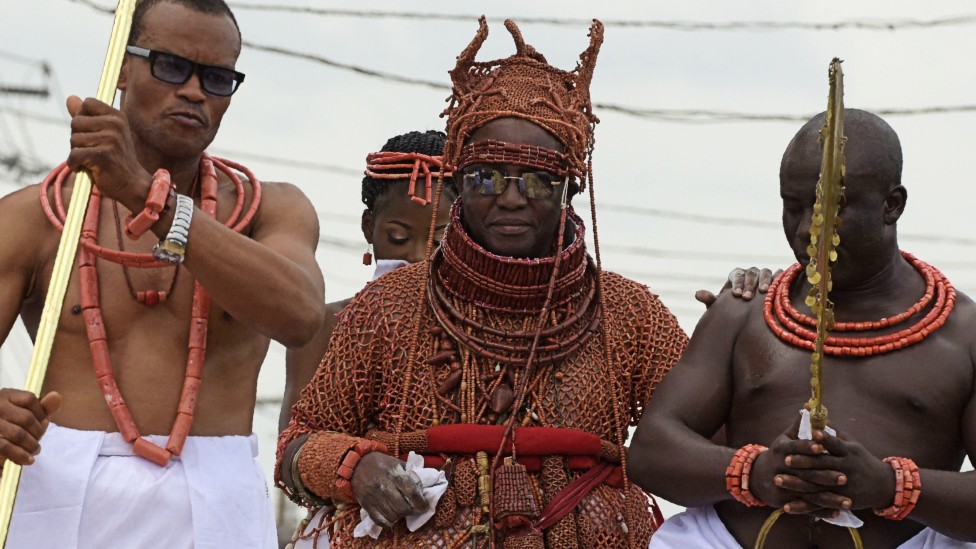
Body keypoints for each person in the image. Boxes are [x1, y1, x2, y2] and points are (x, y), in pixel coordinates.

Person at [276, 17, 690, 548]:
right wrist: (353, 466)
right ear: (459, 180)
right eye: (486, 177)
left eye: (539, 178)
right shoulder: (389, 305)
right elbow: (293, 445)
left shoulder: (629, 314)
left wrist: (747, 322)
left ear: (571, 186)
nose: (512, 197)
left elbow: (702, 439)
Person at [0, 1, 325, 547]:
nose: (195, 91)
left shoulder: (272, 210)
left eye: (218, 77)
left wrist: (146, 197)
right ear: (122, 69)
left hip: (217, 499)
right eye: (171, 66)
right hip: (60, 494)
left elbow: (300, 316)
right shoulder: (34, 217)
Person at [628, 109, 976, 548]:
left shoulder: (963, 335)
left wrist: (890, 486)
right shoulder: (742, 313)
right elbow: (650, 452)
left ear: (893, 205)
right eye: (793, 207)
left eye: (832, 208)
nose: (807, 228)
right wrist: (755, 474)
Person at [279, 129, 455, 431]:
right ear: (369, 227)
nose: (417, 257)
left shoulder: (482, 331)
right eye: (398, 237)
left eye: (439, 241)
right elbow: (293, 443)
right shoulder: (326, 324)